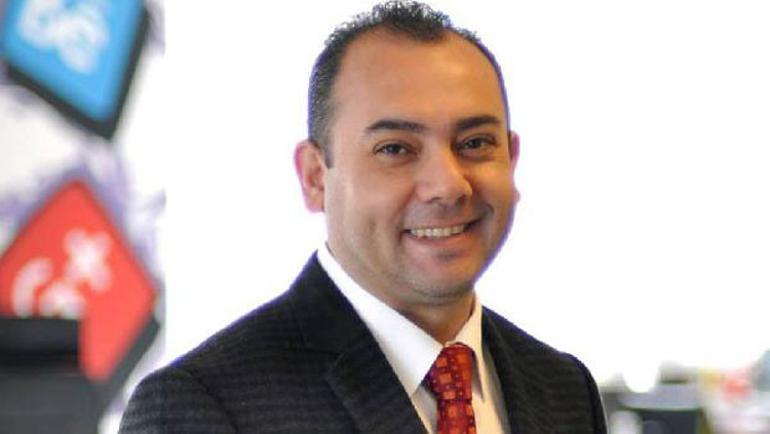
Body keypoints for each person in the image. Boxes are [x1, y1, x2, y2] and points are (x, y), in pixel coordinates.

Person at [119, 2, 607, 433]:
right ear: (315, 177)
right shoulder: (199, 407)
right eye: (395, 149)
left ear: (512, 159)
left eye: (475, 143)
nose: (448, 185)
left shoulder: (564, 389)